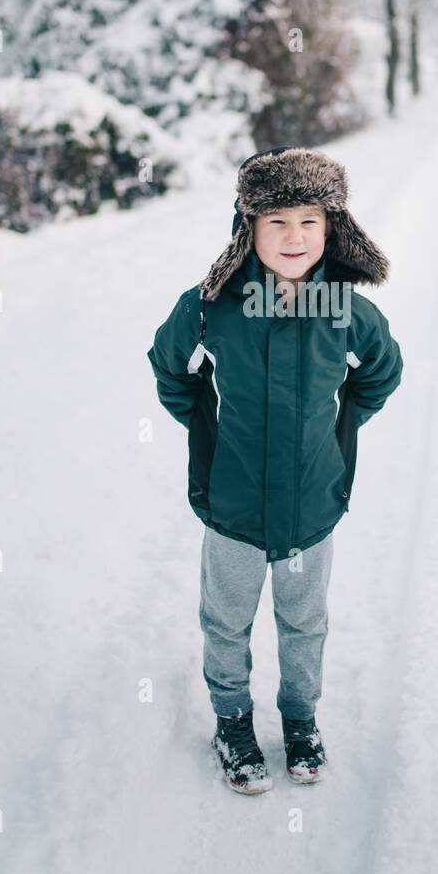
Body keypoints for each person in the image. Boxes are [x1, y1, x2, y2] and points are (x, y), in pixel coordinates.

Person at [147, 146, 403, 794]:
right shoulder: (211, 308)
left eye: (309, 222)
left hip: (310, 509)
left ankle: (299, 719)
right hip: (233, 509)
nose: (294, 238)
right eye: (276, 223)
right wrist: (205, 428)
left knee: (304, 620)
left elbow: (381, 371)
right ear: (247, 231)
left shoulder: (346, 311)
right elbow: (169, 366)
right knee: (225, 620)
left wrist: (338, 429)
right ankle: (232, 721)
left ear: (331, 228)